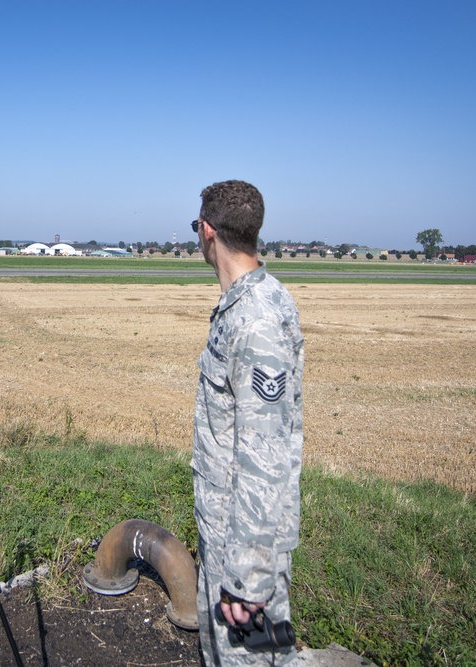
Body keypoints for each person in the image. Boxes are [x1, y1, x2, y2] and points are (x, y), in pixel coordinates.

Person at [191, 180, 303, 666]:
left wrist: (248, 580)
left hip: (244, 550)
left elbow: (265, 455)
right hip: (227, 536)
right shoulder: (249, 301)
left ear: (208, 231)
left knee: (250, 658)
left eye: (196, 226)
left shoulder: (254, 321)